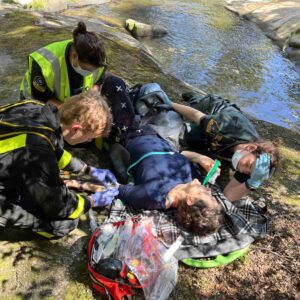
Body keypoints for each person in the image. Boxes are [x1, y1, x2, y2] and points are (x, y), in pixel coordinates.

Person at [89, 76, 224, 236]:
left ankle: (129, 99)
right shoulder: (194, 179)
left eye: (205, 194)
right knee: (153, 88)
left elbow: (117, 189)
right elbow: (181, 154)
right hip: (161, 134)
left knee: (114, 82)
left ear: (190, 200)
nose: (208, 190)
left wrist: (83, 188)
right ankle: (135, 97)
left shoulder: (153, 196)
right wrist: (200, 158)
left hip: (129, 132)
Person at [0, 91, 117, 238]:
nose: (88, 142)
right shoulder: (39, 151)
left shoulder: (36, 107)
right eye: (89, 138)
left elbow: (55, 148)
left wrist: (87, 169)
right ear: (76, 129)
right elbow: (57, 205)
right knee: (63, 224)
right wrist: (92, 201)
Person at [166, 92, 280, 202]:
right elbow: (197, 116)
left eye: (248, 173)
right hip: (212, 109)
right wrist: (169, 103)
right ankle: (195, 97)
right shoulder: (227, 126)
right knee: (179, 128)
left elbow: (228, 195)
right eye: (247, 165)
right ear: (250, 148)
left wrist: (252, 183)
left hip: (215, 141)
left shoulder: (254, 167)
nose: (242, 170)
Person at [20, 21, 106, 108]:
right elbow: (42, 98)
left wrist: (89, 101)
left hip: (68, 101)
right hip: (36, 102)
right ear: (74, 56)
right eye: (87, 70)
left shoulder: (98, 59)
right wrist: (71, 111)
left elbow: (98, 82)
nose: (91, 73)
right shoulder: (43, 64)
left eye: (93, 70)